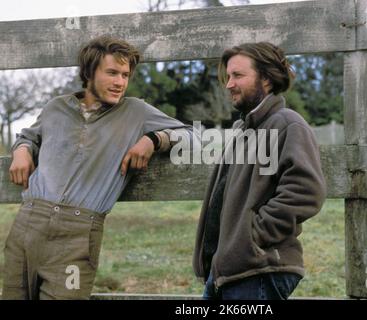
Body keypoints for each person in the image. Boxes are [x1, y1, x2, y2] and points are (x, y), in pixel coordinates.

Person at [3, 36, 193, 300]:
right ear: (89, 73)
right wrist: (22, 150)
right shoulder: (55, 107)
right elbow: (29, 136)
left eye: (125, 75)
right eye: (112, 73)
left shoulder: (136, 112)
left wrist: (153, 140)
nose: (120, 82)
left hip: (77, 236)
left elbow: (190, 134)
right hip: (27, 226)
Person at [193, 42, 326, 300]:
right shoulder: (246, 130)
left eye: (238, 75)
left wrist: (252, 237)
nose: (229, 84)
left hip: (258, 271)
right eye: (228, 76)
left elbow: (306, 192)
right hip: (229, 271)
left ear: (266, 78)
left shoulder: (287, 124)